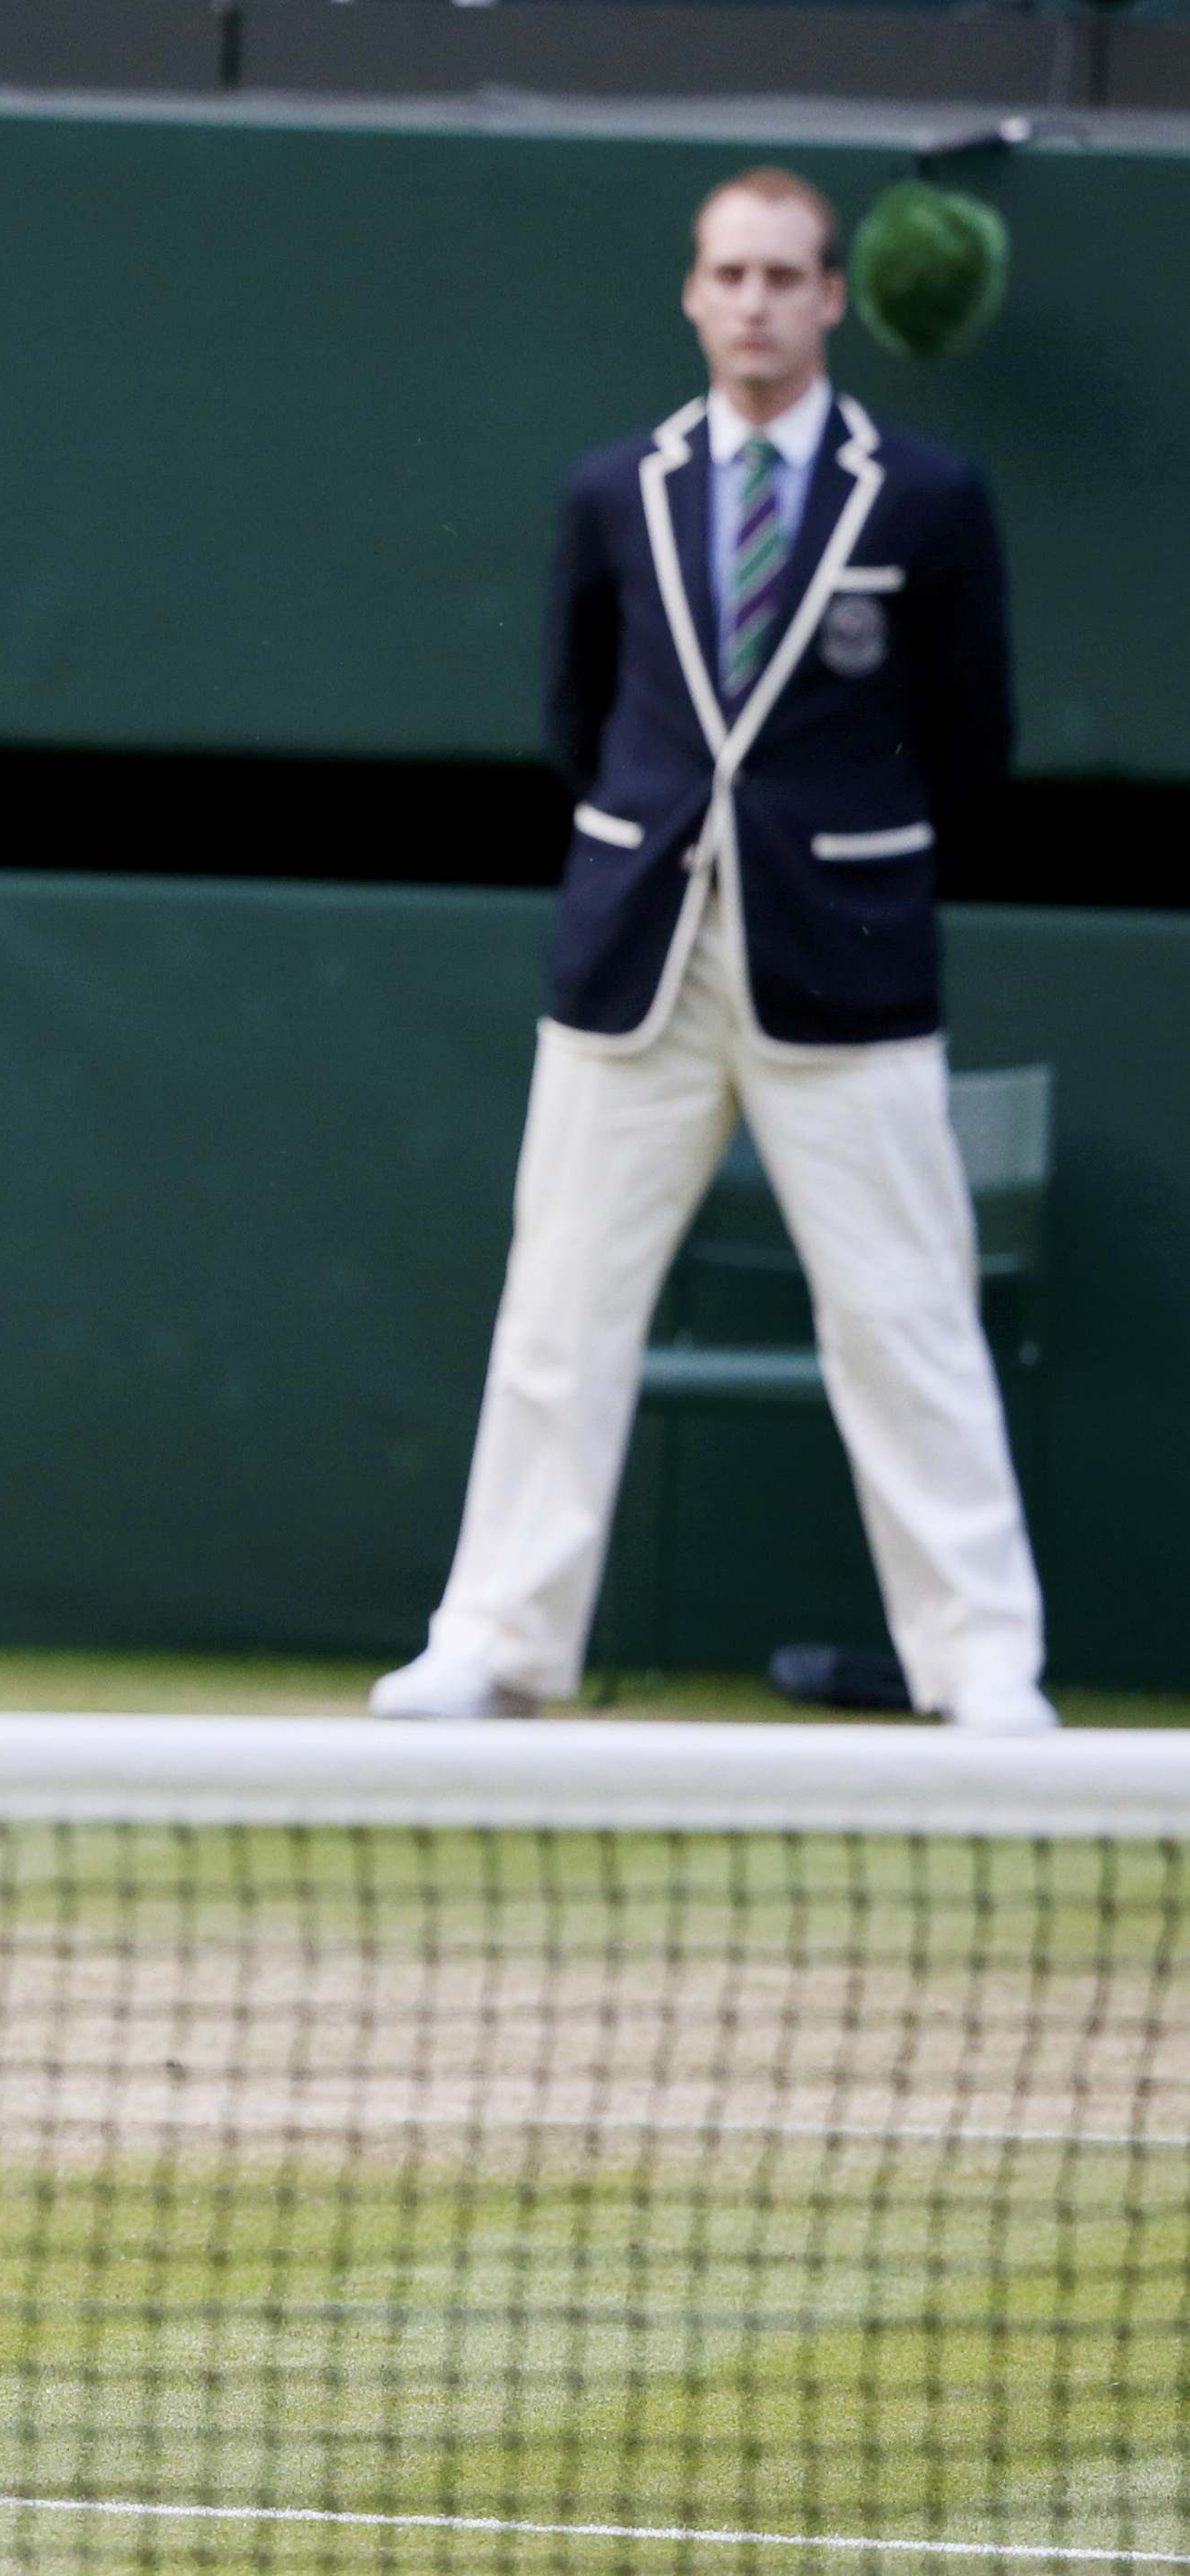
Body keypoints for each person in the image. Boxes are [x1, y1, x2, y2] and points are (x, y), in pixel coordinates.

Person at [374, 169, 1048, 1732]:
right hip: (635, 963)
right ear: (691, 294)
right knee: (556, 1308)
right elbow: (576, 720)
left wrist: (820, 855)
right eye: (725, 274)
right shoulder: (614, 489)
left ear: (830, 298)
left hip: (850, 971)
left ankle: (980, 1659)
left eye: (780, 275)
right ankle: (495, 1639)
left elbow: (969, 740)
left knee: (905, 1314)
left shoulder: (927, 496)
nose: (750, 300)